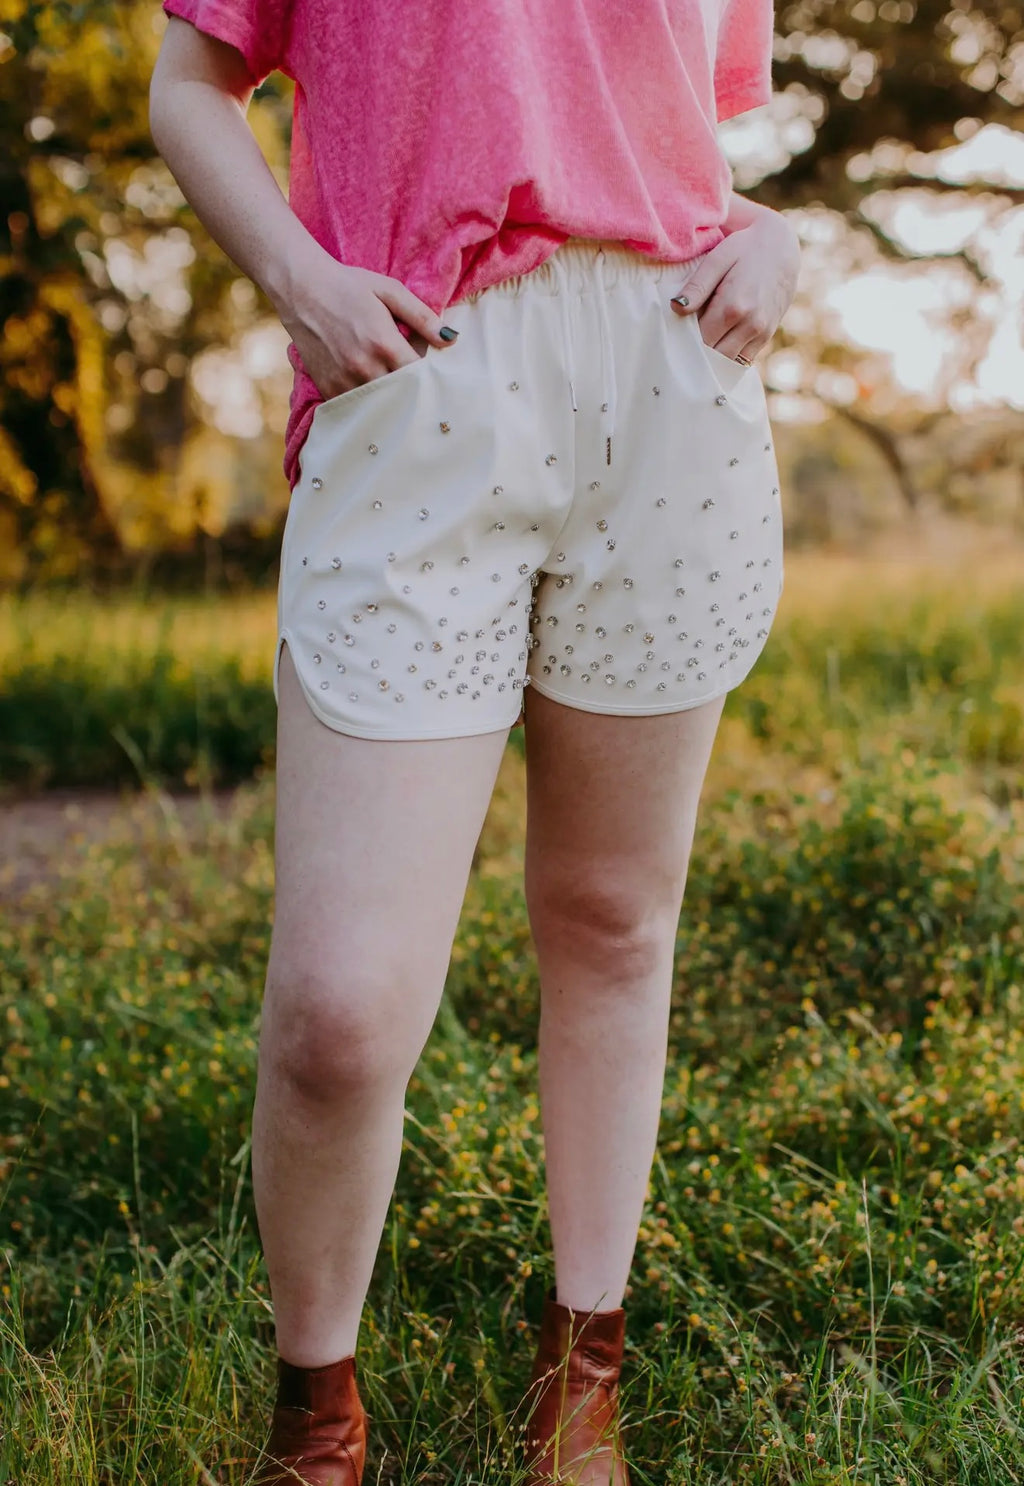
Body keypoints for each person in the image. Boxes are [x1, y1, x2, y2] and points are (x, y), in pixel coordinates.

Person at [149, 2, 800, 1482]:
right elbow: (189, 87)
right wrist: (298, 278)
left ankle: (584, 1373)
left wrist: (778, 235)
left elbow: (652, 151)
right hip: (418, 379)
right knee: (339, 1010)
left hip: (670, 387)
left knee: (612, 920)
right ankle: (317, 1414)